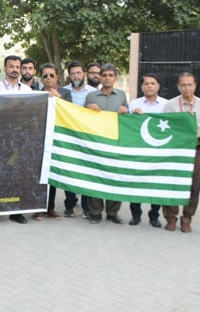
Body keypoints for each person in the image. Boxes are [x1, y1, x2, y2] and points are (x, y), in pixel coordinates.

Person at [162, 72, 200, 233]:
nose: (186, 88)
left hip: (197, 150)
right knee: (172, 183)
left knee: (194, 185)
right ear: (178, 86)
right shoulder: (170, 105)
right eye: (183, 85)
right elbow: (164, 129)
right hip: (175, 150)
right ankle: (171, 217)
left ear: (195, 86)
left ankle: (187, 218)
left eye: (190, 84)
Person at [0, 55, 34, 225]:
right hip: (1, 138)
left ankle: (16, 212)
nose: (15, 69)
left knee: (17, 175)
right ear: (5, 68)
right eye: (11, 66)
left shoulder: (28, 91)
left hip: (20, 138)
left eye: (17, 66)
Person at [84, 63, 128, 224]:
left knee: (115, 177)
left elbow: (127, 120)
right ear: (100, 77)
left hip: (115, 143)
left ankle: (113, 213)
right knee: (95, 176)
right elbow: (81, 118)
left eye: (110, 75)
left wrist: (126, 112)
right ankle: (95, 212)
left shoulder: (122, 95)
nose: (107, 78)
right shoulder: (91, 97)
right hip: (96, 142)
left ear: (115, 78)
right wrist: (88, 108)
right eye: (104, 75)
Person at [127, 73, 169, 228]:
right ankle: (135, 215)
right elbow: (128, 126)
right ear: (142, 87)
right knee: (136, 182)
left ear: (158, 86)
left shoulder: (167, 105)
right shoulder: (134, 104)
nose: (149, 86)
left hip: (159, 152)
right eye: (146, 83)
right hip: (139, 151)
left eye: (153, 83)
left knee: (156, 184)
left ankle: (154, 215)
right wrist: (133, 116)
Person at [32, 62, 71, 221]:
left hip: (56, 138)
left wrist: (58, 99)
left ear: (57, 78)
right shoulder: (36, 94)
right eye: (45, 76)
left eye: (51, 76)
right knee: (39, 173)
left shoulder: (65, 94)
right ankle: (38, 207)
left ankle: (50, 207)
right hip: (39, 138)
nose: (48, 79)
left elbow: (71, 112)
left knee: (52, 174)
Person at [62, 60, 93, 218]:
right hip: (69, 137)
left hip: (88, 137)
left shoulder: (93, 92)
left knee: (87, 171)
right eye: (72, 73)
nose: (75, 76)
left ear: (84, 74)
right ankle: (70, 204)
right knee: (69, 170)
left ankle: (87, 206)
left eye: (78, 73)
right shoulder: (63, 91)